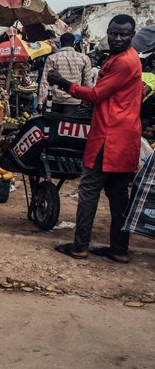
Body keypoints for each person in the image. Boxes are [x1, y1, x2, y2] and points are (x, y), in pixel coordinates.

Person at [48, 14, 142, 263]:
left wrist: (63, 83)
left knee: (89, 189)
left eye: (124, 34)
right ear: (108, 33)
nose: (118, 38)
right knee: (119, 195)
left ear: (132, 35)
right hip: (125, 135)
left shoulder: (124, 62)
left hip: (110, 136)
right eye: (114, 33)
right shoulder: (124, 59)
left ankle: (80, 246)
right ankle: (119, 249)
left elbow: (97, 94)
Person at [38, 33, 92, 114]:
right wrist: (86, 100)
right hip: (75, 101)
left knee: (55, 125)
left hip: (55, 101)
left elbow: (45, 81)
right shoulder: (84, 58)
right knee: (69, 125)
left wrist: (41, 102)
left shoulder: (52, 58)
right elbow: (87, 82)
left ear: (60, 43)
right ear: (74, 43)